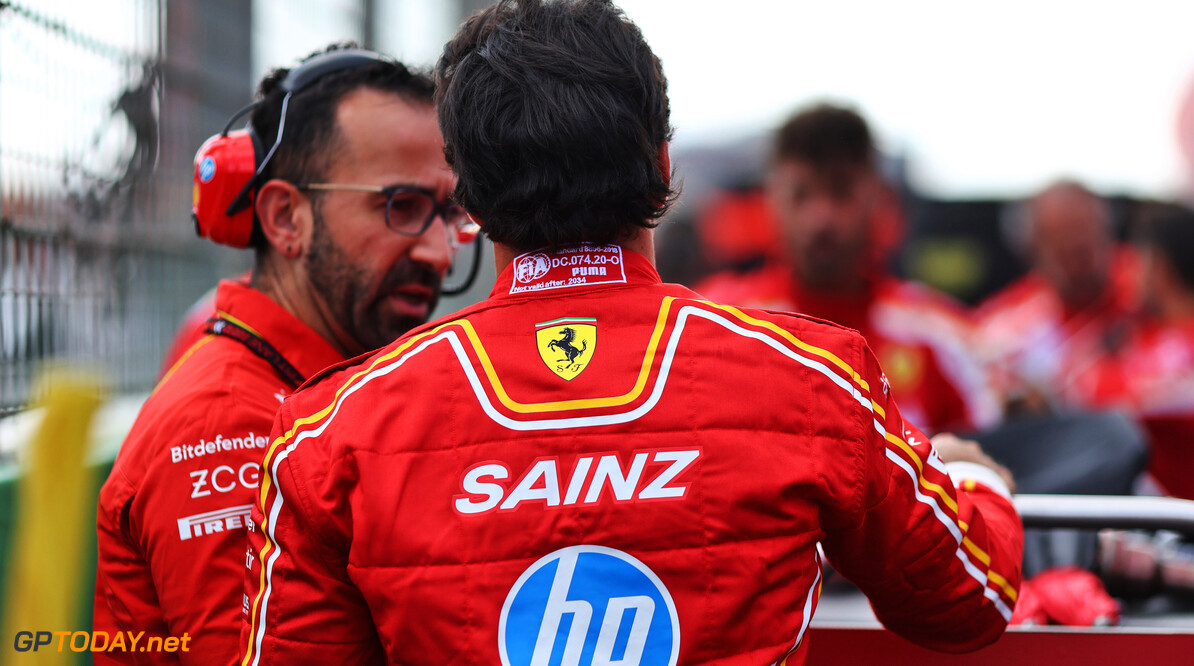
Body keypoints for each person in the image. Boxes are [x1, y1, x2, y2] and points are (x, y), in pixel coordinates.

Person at [240, 2, 1022, 663]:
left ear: (467, 191)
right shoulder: (814, 376)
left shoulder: (327, 432)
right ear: (660, 159)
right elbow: (968, 603)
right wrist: (982, 481)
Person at [94, 44, 468, 664]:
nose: (439, 251)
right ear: (286, 218)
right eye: (401, 206)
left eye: (448, 212)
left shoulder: (318, 394)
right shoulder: (227, 422)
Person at [696, 104, 1000, 434]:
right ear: (773, 198)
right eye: (801, 194)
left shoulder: (941, 333)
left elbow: (987, 460)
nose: (821, 218)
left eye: (841, 192)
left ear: (876, 197)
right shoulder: (718, 322)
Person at [973, 180, 1138, 412]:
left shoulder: (1154, 285)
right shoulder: (1008, 323)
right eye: (1062, 243)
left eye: (1086, 232)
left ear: (1108, 230)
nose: (1077, 246)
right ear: (1032, 249)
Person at [1078, 208, 1194, 498]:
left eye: (1137, 261)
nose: (1129, 273)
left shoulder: (1159, 353)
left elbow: (1084, 399)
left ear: (1159, 267)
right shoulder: (1136, 339)